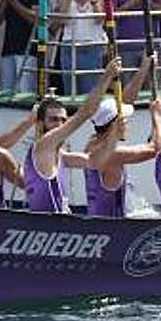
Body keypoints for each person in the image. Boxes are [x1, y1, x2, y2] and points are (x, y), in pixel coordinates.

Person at [24, 57, 121, 214]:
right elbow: (85, 113)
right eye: (53, 120)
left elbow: (94, 162)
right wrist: (106, 77)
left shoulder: (60, 155)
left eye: (63, 120)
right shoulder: (44, 144)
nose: (60, 124)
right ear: (40, 124)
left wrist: (114, 137)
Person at [81, 56, 161, 217]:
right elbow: (155, 149)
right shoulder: (114, 154)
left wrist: (144, 68)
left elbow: (125, 101)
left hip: (98, 220)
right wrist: (157, 117)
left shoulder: (93, 143)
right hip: (113, 228)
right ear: (113, 125)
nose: (128, 124)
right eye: (124, 120)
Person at [57, 0, 107, 95]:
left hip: (90, 48)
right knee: (70, 92)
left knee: (89, 93)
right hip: (69, 47)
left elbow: (99, 19)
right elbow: (62, 19)